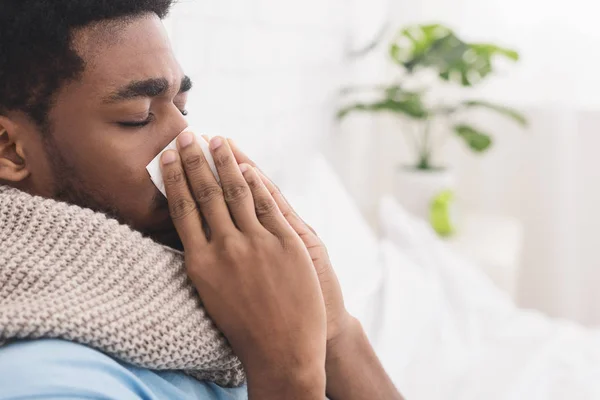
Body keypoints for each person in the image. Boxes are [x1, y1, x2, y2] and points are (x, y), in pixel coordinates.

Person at [0, 1, 403, 399]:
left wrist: (335, 334)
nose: (186, 141)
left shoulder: (208, 302)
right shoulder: (47, 380)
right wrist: (288, 372)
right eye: (138, 117)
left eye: (182, 108)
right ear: (11, 151)